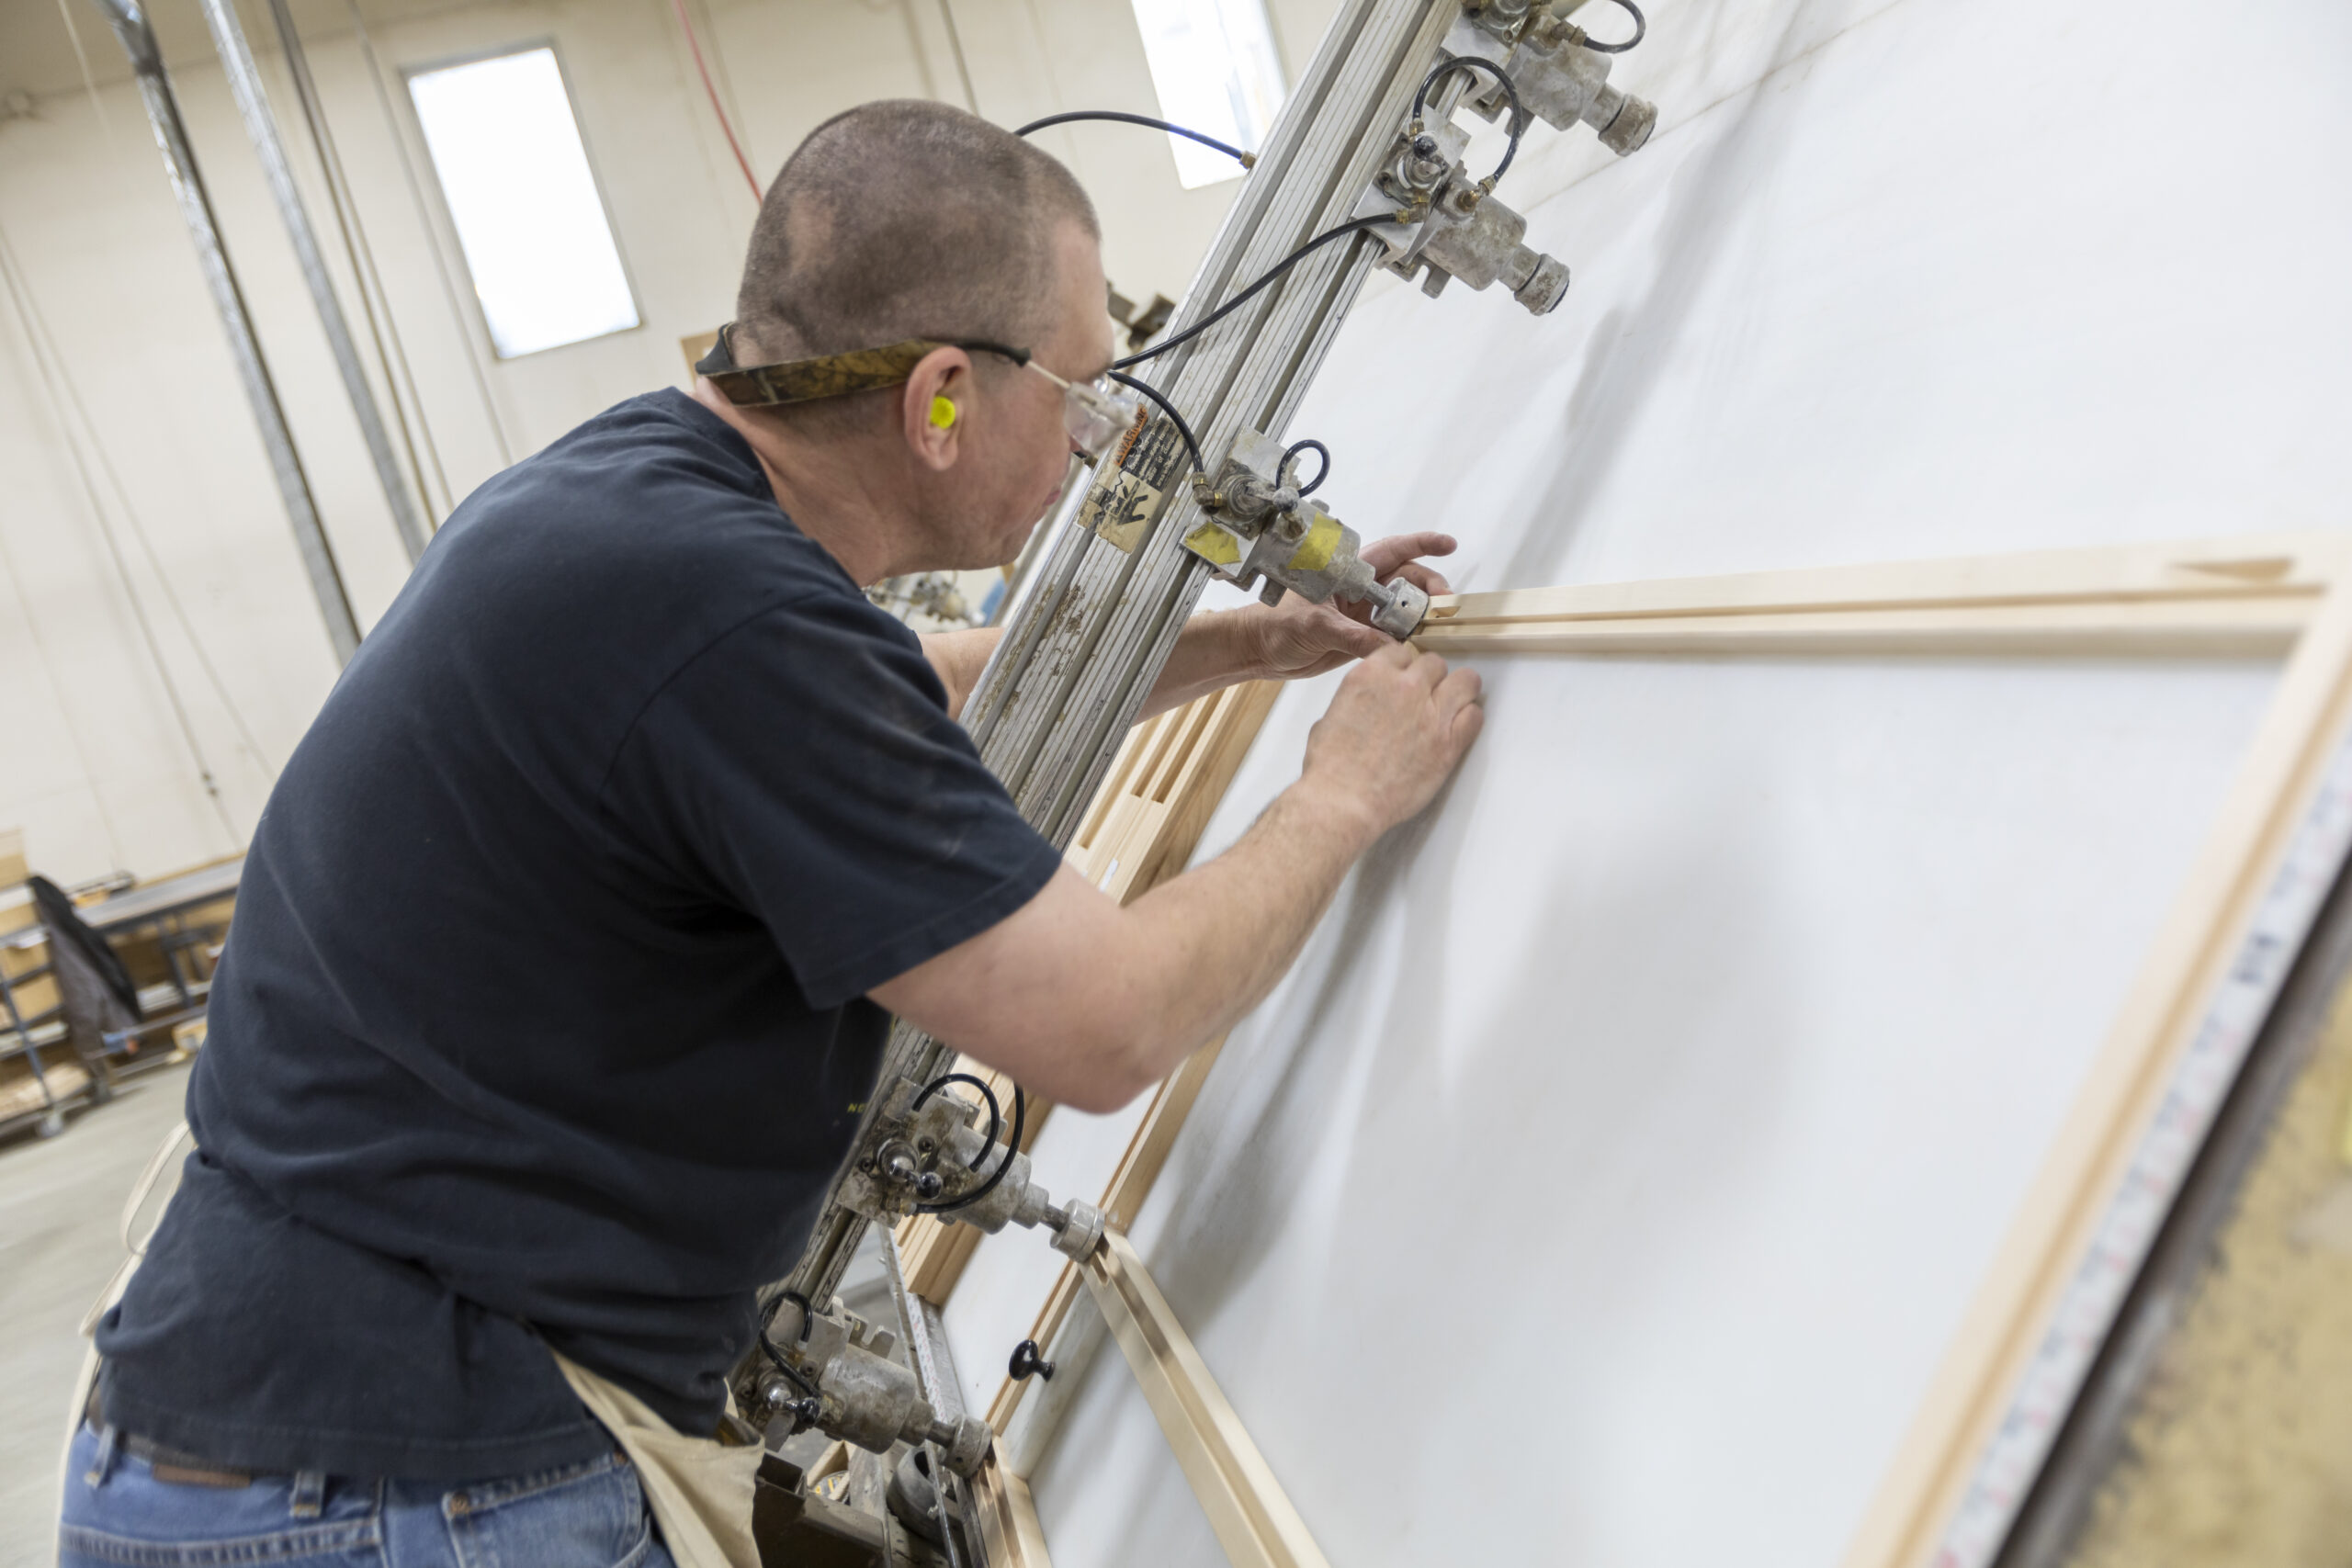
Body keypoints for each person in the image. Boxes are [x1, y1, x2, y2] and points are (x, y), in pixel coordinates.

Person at [61, 99, 1482, 1564]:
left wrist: (1244, 647)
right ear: (940, 398)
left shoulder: (640, 499)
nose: (1093, 441)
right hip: (402, 1483)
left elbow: (885, 687)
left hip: (294, 1429)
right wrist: (1342, 794)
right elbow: (1105, 1026)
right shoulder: (727, 614)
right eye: (1085, 394)